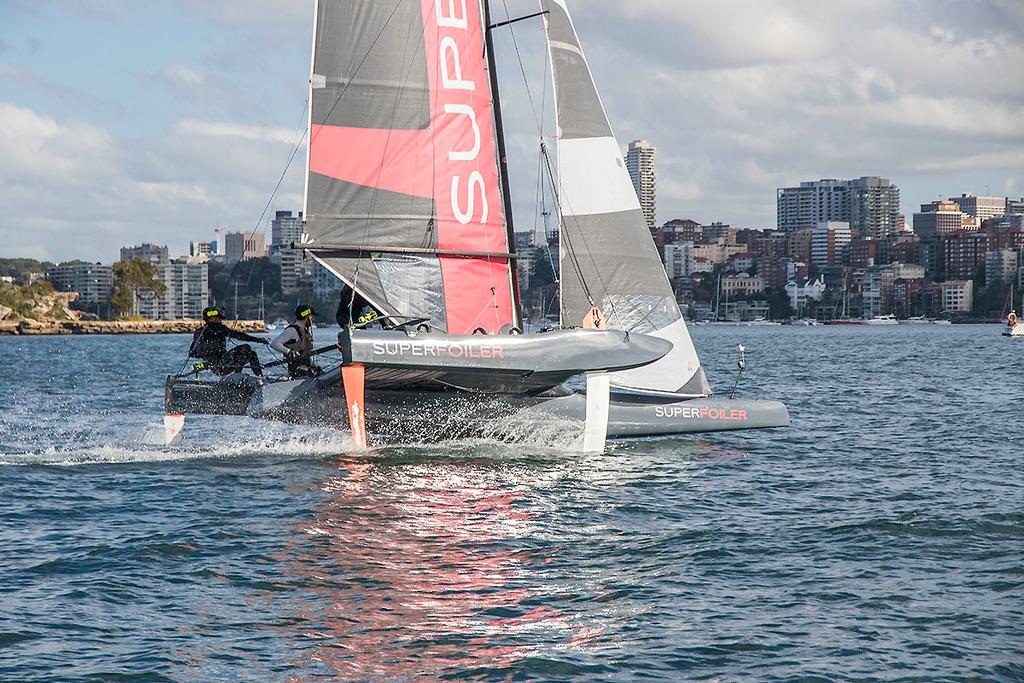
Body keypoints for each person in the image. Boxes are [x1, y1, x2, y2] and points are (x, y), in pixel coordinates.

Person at [188, 306, 267, 376]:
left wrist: (207, 361)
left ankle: (244, 376)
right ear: (211, 319)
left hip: (216, 367)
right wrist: (258, 340)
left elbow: (192, 353)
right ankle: (247, 376)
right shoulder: (218, 328)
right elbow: (238, 335)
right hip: (222, 365)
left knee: (251, 354)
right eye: (218, 317)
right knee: (246, 348)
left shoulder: (199, 331)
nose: (220, 320)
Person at [270, 304, 320, 378]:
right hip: (297, 370)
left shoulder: (304, 331)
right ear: (308, 317)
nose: (313, 319)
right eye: (312, 317)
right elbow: (274, 343)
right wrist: (289, 352)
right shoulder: (293, 330)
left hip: (307, 368)